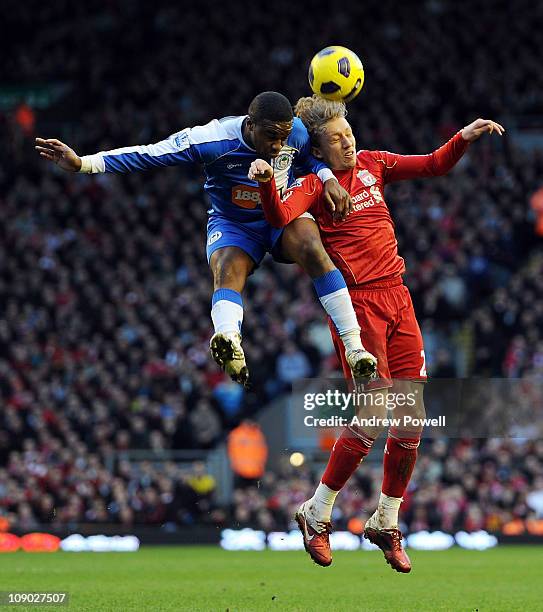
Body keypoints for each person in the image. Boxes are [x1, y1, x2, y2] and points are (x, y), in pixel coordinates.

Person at [249, 95, 504, 571]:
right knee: (375, 409)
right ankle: (317, 510)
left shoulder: (374, 163)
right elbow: (280, 218)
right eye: (336, 139)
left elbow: (430, 165)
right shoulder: (312, 185)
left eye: (349, 134)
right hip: (358, 304)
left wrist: (462, 139)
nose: (348, 143)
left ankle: (386, 520)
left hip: (398, 299)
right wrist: (266, 183)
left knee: (411, 418)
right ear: (318, 151)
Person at [35, 91, 376, 388]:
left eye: (282, 137)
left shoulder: (295, 133)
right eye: (270, 136)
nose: (277, 146)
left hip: (281, 211)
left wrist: (327, 176)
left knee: (311, 246)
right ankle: (228, 338)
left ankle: (355, 346)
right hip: (234, 224)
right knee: (228, 266)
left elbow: (309, 160)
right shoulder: (213, 140)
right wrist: (83, 164)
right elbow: (150, 154)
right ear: (251, 124)